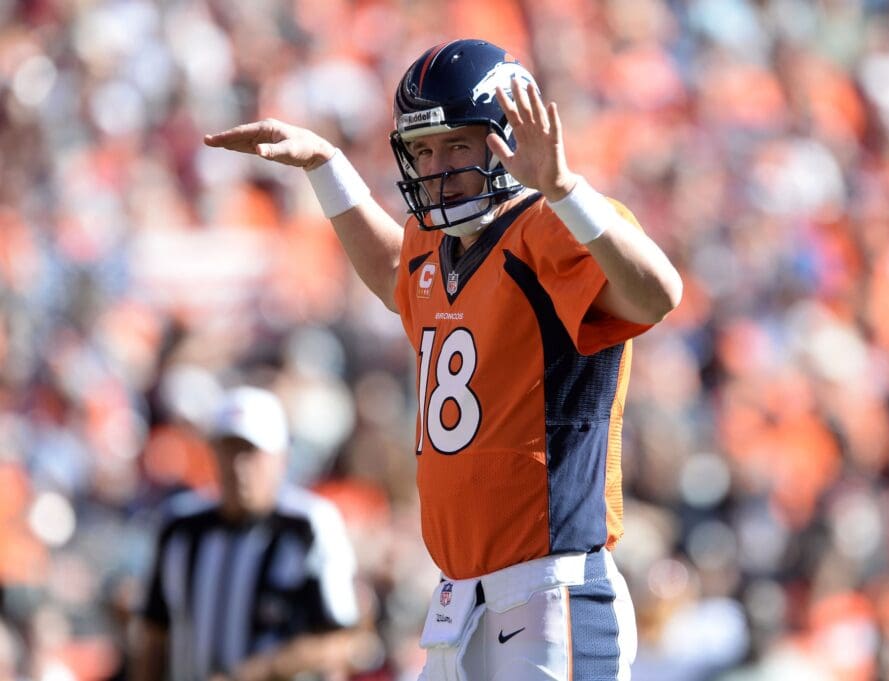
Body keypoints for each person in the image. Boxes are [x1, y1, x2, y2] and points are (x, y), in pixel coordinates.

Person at [205, 38, 683, 681]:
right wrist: (326, 165)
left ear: (507, 139)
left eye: (456, 144)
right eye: (423, 150)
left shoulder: (548, 223)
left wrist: (566, 188)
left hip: (550, 589)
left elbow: (658, 295)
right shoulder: (438, 245)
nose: (436, 166)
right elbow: (392, 275)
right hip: (460, 599)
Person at [131, 386, 366, 681]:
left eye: (251, 452)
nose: (238, 466)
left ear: (282, 458)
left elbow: (341, 638)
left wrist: (258, 672)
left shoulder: (308, 524)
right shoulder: (180, 526)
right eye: (228, 451)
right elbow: (154, 631)